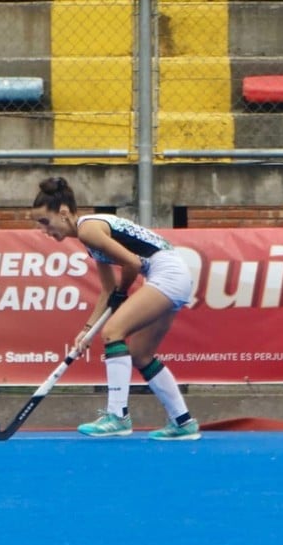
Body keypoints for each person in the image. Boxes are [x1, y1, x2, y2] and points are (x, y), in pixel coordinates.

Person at [30, 176, 201, 440]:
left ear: (63, 213)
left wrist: (123, 292)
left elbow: (131, 263)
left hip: (167, 274)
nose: (43, 230)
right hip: (174, 275)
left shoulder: (89, 229)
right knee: (141, 354)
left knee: (113, 332)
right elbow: (108, 290)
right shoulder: (90, 238)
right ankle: (183, 422)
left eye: (44, 221)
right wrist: (86, 330)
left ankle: (118, 416)